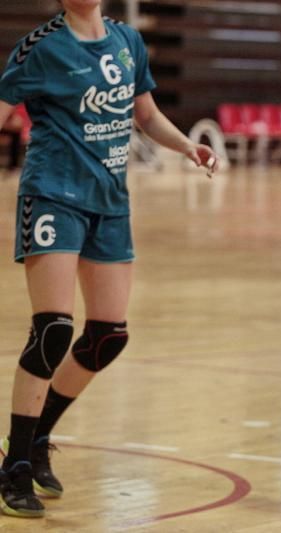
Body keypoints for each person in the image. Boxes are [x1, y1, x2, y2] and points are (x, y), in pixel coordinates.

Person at [0, 0, 218, 518]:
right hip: (53, 195)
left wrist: (187, 147)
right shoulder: (39, 48)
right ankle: (16, 465)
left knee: (107, 336)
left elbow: (147, 115)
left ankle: (38, 436)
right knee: (53, 330)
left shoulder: (127, 41)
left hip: (111, 203)